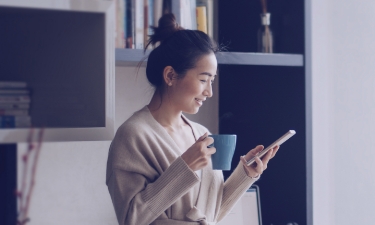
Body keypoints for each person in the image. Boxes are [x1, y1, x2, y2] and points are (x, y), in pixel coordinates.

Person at [106, 13, 279, 225]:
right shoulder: (133, 136)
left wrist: (245, 175)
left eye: (212, 81)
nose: (209, 92)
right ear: (170, 76)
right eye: (203, 79)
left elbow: (210, 214)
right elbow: (130, 218)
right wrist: (184, 168)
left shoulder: (200, 134)